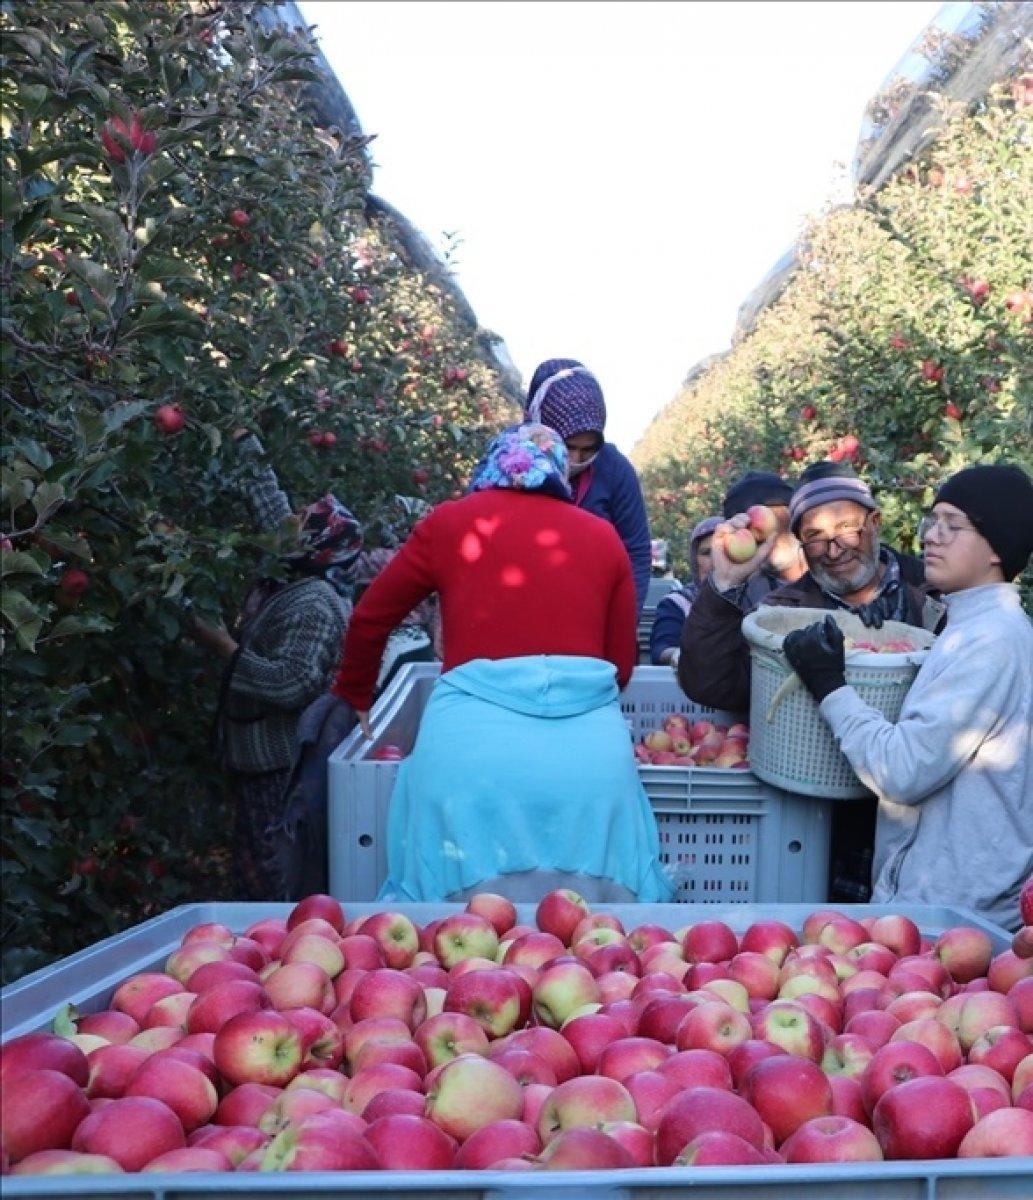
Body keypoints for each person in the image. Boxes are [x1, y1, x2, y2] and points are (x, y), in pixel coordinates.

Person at [332, 423, 673, 903]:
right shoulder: (603, 537)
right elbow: (619, 666)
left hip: (467, 757)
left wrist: (356, 692)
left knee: (451, 944)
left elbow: (370, 616)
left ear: (492, 464)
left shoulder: (449, 525)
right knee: (600, 944)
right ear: (559, 474)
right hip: (588, 767)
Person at [677, 460, 946, 903]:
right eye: (815, 536)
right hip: (819, 825)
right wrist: (724, 586)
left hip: (917, 827)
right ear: (801, 544)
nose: (834, 547)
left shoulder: (933, 590)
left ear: (874, 522)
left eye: (846, 527)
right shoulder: (787, 610)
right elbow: (712, 685)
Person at [782, 463, 1033, 930]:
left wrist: (831, 687)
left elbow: (903, 770)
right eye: (931, 522)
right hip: (946, 902)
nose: (931, 538)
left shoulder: (989, 643)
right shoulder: (968, 629)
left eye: (952, 525)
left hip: (953, 914)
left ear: (997, 547)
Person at [188, 434, 362, 899]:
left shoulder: (317, 604)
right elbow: (271, 505)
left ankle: (276, 953)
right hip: (253, 760)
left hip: (279, 769)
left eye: (302, 518)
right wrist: (245, 439)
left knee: (272, 875)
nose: (290, 518)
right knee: (251, 865)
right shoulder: (291, 570)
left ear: (317, 541)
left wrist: (224, 645)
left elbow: (292, 683)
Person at [524, 359, 652, 615]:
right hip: (525, 603)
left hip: (594, 608)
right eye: (568, 446)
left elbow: (635, 551)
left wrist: (624, 620)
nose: (576, 460)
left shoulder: (614, 470)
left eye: (588, 449)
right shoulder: (511, 464)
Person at [650, 516, 720, 667]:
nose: (715, 561)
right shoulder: (677, 603)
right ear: (695, 560)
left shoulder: (754, 599)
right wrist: (679, 655)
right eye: (706, 552)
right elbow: (661, 650)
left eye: (723, 551)